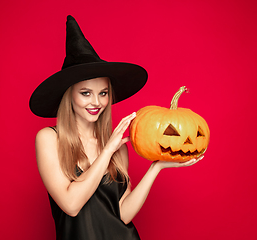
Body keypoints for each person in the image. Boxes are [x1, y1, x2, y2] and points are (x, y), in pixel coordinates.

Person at [29, 15, 203, 240]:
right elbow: (71, 205)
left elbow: (122, 214)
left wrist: (155, 169)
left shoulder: (117, 146)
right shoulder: (49, 138)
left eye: (103, 93)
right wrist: (107, 150)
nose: (96, 102)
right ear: (69, 95)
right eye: (85, 93)